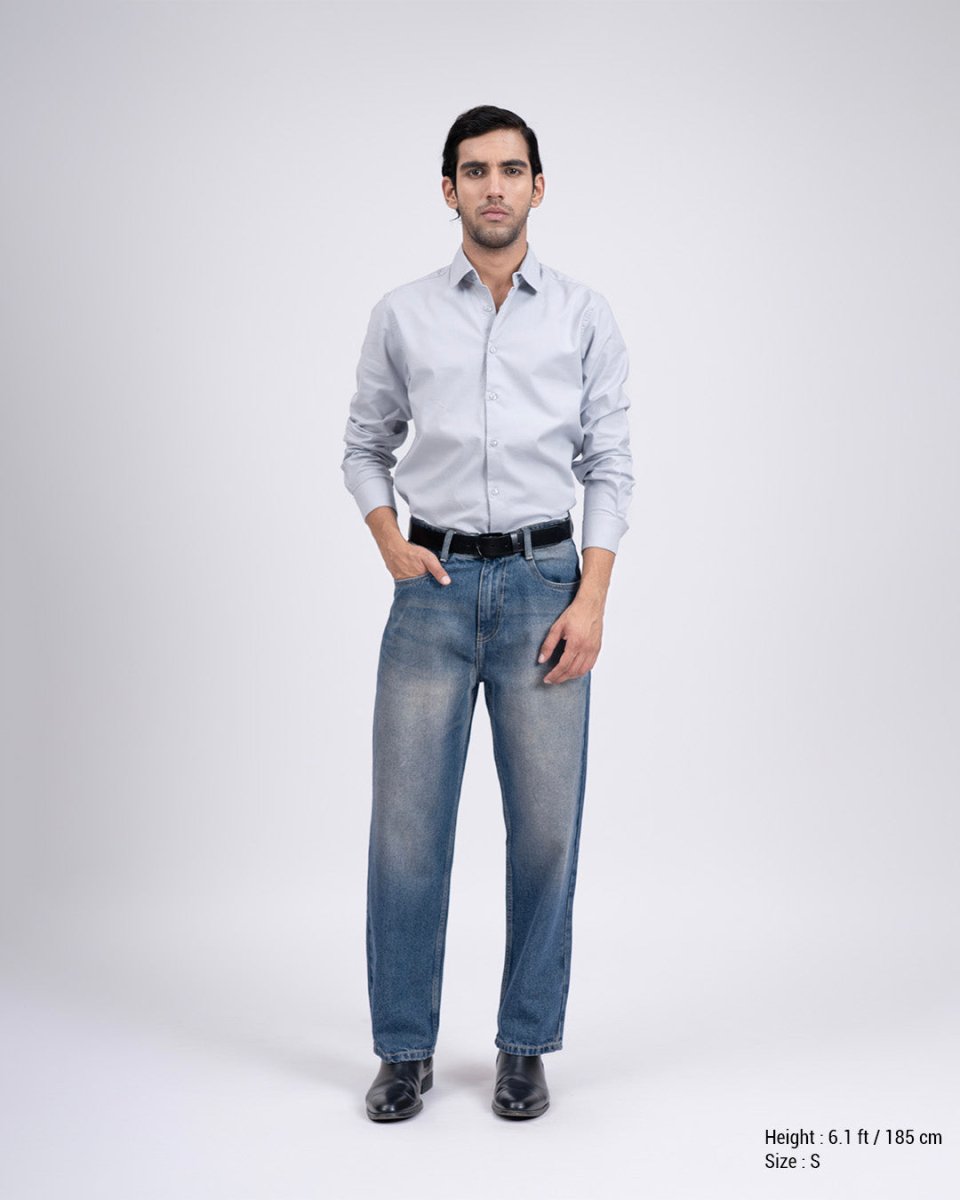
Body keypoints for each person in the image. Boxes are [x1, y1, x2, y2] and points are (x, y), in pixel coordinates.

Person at [341, 104, 634, 1122]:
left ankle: (524, 1046)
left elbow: (609, 463)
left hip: (547, 589)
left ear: (538, 187)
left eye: (512, 170)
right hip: (432, 588)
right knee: (406, 834)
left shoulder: (584, 314)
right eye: (476, 171)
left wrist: (592, 596)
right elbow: (363, 445)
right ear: (449, 189)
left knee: (546, 834)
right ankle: (403, 1051)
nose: (495, 187)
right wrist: (390, 543)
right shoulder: (403, 314)